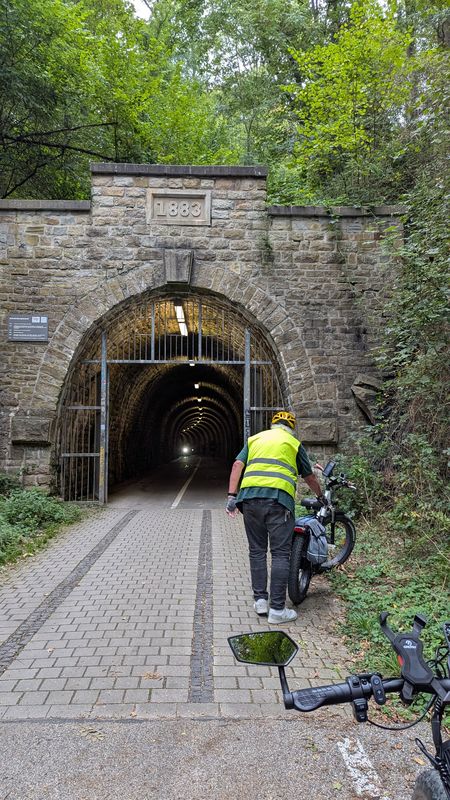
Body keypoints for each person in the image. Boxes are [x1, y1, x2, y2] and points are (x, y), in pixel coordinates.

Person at [226, 410, 324, 624]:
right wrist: (320, 496)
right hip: (278, 503)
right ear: (291, 427)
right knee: (280, 554)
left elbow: (237, 465)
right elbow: (308, 476)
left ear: (272, 425)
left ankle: (261, 601)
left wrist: (231, 496)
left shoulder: (255, 439)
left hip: (249, 500)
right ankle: (277, 610)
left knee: (257, 551)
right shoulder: (293, 443)